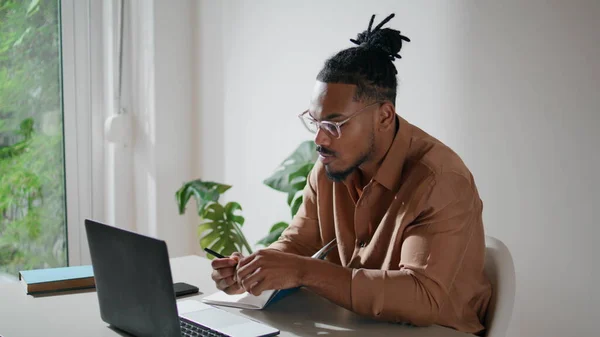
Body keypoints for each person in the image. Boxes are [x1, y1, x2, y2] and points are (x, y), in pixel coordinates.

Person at [210, 13, 492, 335]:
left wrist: (305, 272)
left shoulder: (440, 179)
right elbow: (299, 245)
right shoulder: (331, 167)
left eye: (334, 124)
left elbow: (421, 297)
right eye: (315, 122)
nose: (319, 139)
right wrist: (254, 270)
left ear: (384, 116)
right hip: (361, 327)